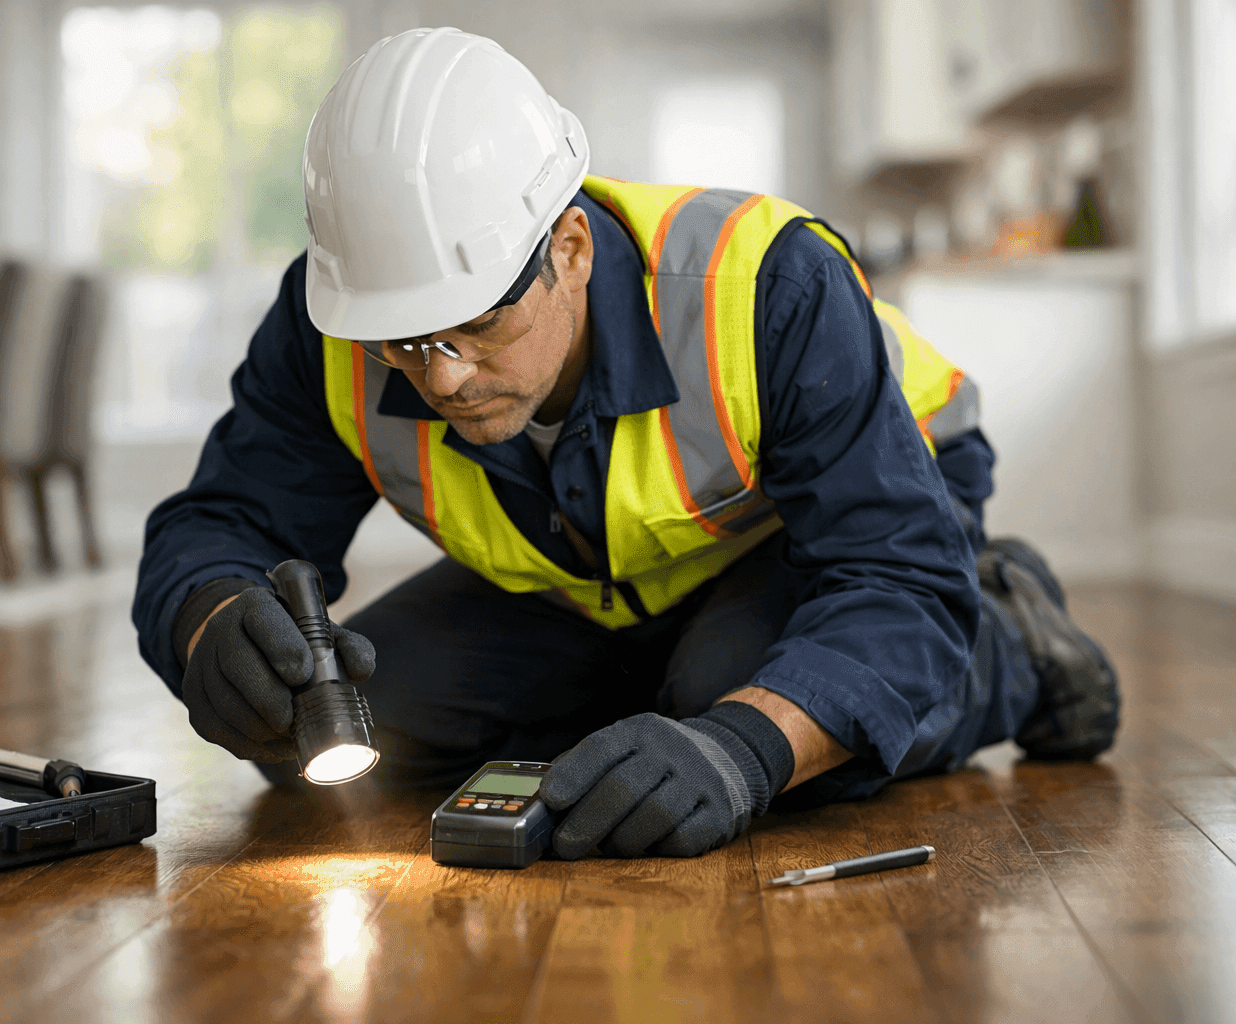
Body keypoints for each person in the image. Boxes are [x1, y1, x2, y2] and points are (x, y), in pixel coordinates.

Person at [132, 28, 1120, 860]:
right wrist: (213, 622)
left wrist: (743, 744)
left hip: (867, 518)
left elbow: (893, 575)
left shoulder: (768, 285)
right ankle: (676, 685)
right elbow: (225, 521)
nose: (438, 377)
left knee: (745, 724)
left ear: (568, 247)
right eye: (407, 340)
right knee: (325, 723)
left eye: (476, 322)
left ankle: (1011, 644)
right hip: (596, 568)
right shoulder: (333, 326)